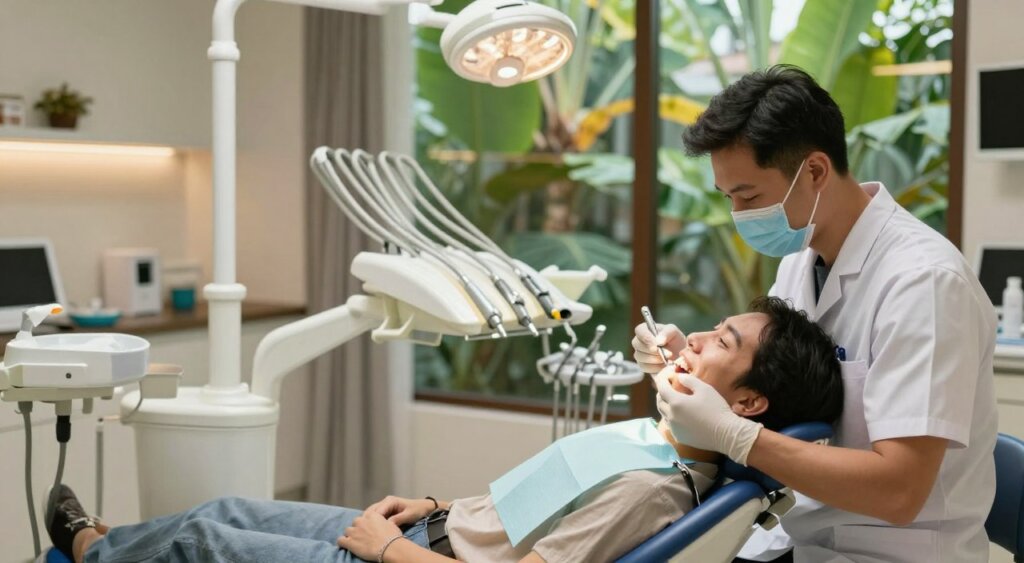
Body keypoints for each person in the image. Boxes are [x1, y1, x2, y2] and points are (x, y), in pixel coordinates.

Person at [49, 296, 842, 563]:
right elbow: (535, 509)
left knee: (204, 539)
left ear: (747, 408)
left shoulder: (651, 491)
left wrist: (390, 548)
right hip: (432, 529)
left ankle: (87, 549)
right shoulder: (662, 444)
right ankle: (117, 542)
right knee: (222, 507)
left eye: (720, 345)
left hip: (408, 557)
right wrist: (430, 507)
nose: (693, 341)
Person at [633, 65, 997, 563]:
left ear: (815, 171)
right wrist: (692, 372)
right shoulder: (799, 265)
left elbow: (899, 492)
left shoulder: (924, 283)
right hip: (800, 537)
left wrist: (732, 434)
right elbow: (770, 397)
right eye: (729, 197)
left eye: (749, 196)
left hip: (892, 551)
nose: (739, 214)